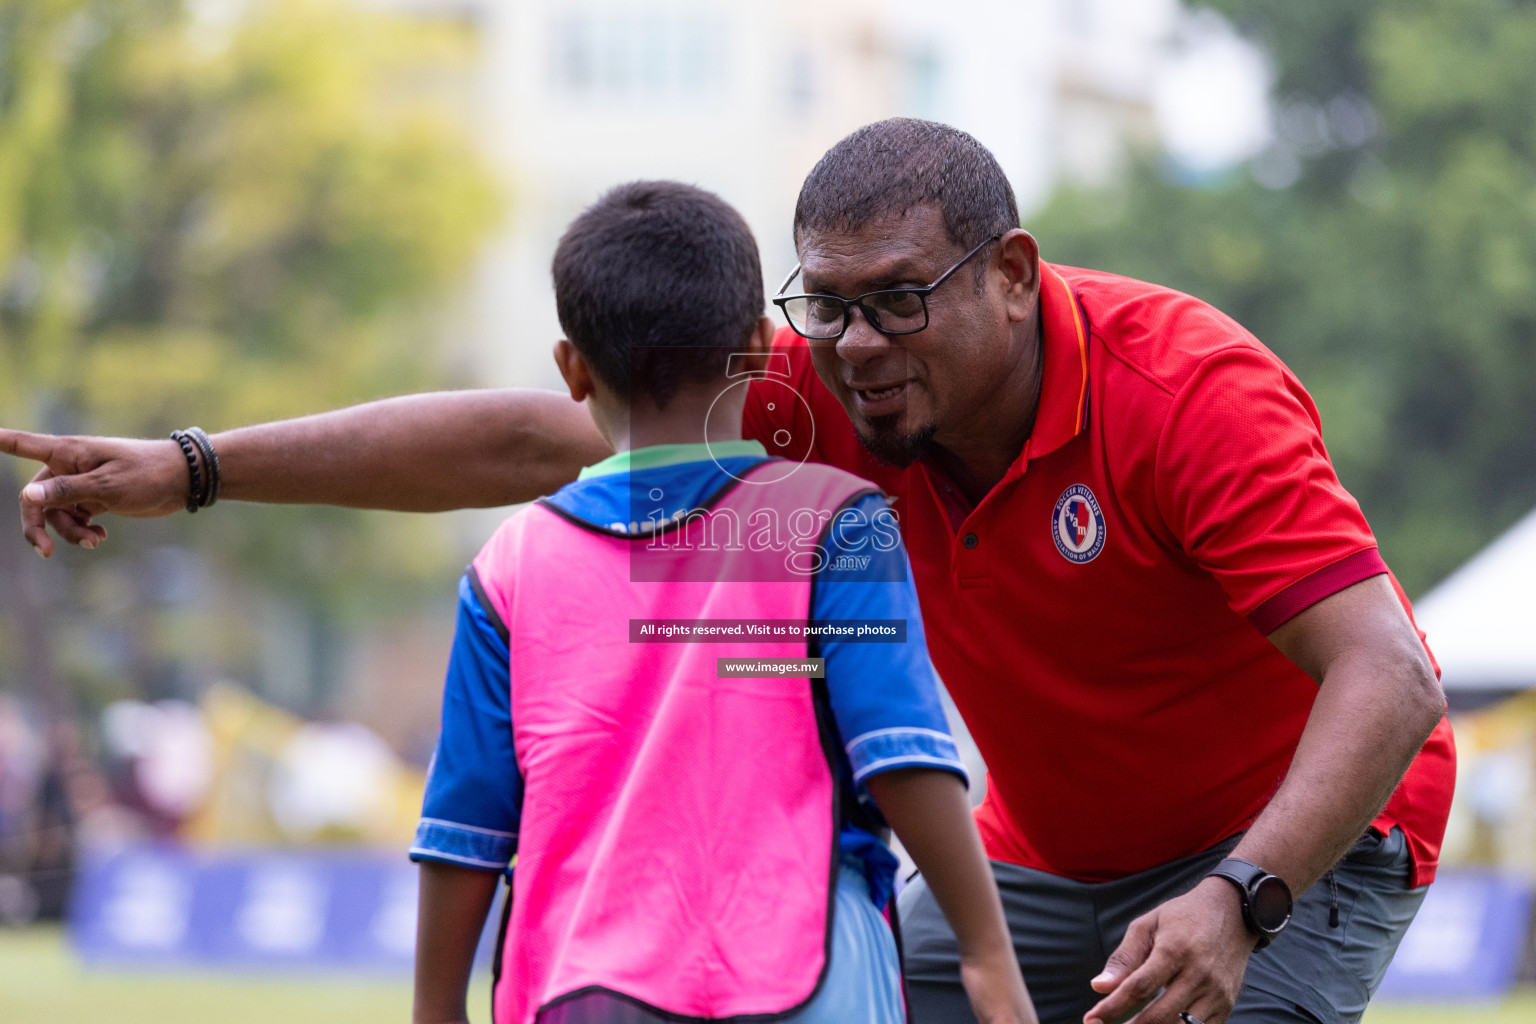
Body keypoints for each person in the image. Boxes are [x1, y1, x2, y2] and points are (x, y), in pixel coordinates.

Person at [0, 119, 1453, 1024]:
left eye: (900, 302)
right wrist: (196, 467)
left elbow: (1388, 676)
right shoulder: (826, 386)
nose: (859, 345)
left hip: (1290, 850)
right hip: (1047, 853)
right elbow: (529, 439)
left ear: (1014, 273)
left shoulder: (1184, 393)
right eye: (826, 305)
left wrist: (1239, 899)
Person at [404, 181, 1033, 1024]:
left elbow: (465, 830)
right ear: (763, 347)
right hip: (808, 981)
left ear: (573, 368)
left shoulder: (506, 568)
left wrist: (435, 1011)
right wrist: (987, 956)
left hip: (577, 991)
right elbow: (901, 756)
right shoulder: (834, 522)